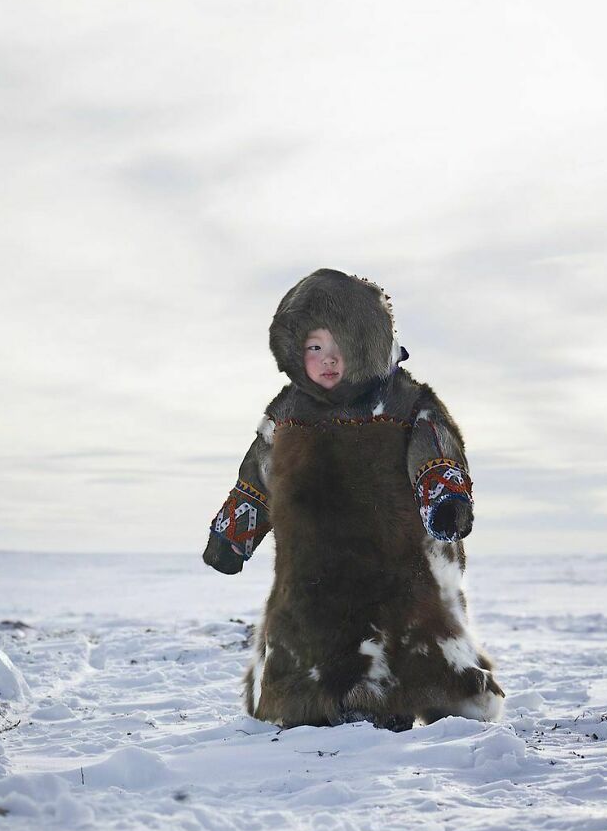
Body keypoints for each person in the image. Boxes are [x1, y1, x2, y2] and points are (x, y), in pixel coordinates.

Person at [202, 268, 504, 729]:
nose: (327, 360)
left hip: (395, 568)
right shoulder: (286, 414)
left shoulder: (406, 403)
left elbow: (436, 451)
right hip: (309, 572)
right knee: (304, 648)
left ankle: (403, 699)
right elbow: (258, 478)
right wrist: (233, 534)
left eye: (339, 346)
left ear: (365, 343)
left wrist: (444, 499)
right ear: (294, 352)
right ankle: (309, 702)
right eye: (314, 348)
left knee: (408, 639)